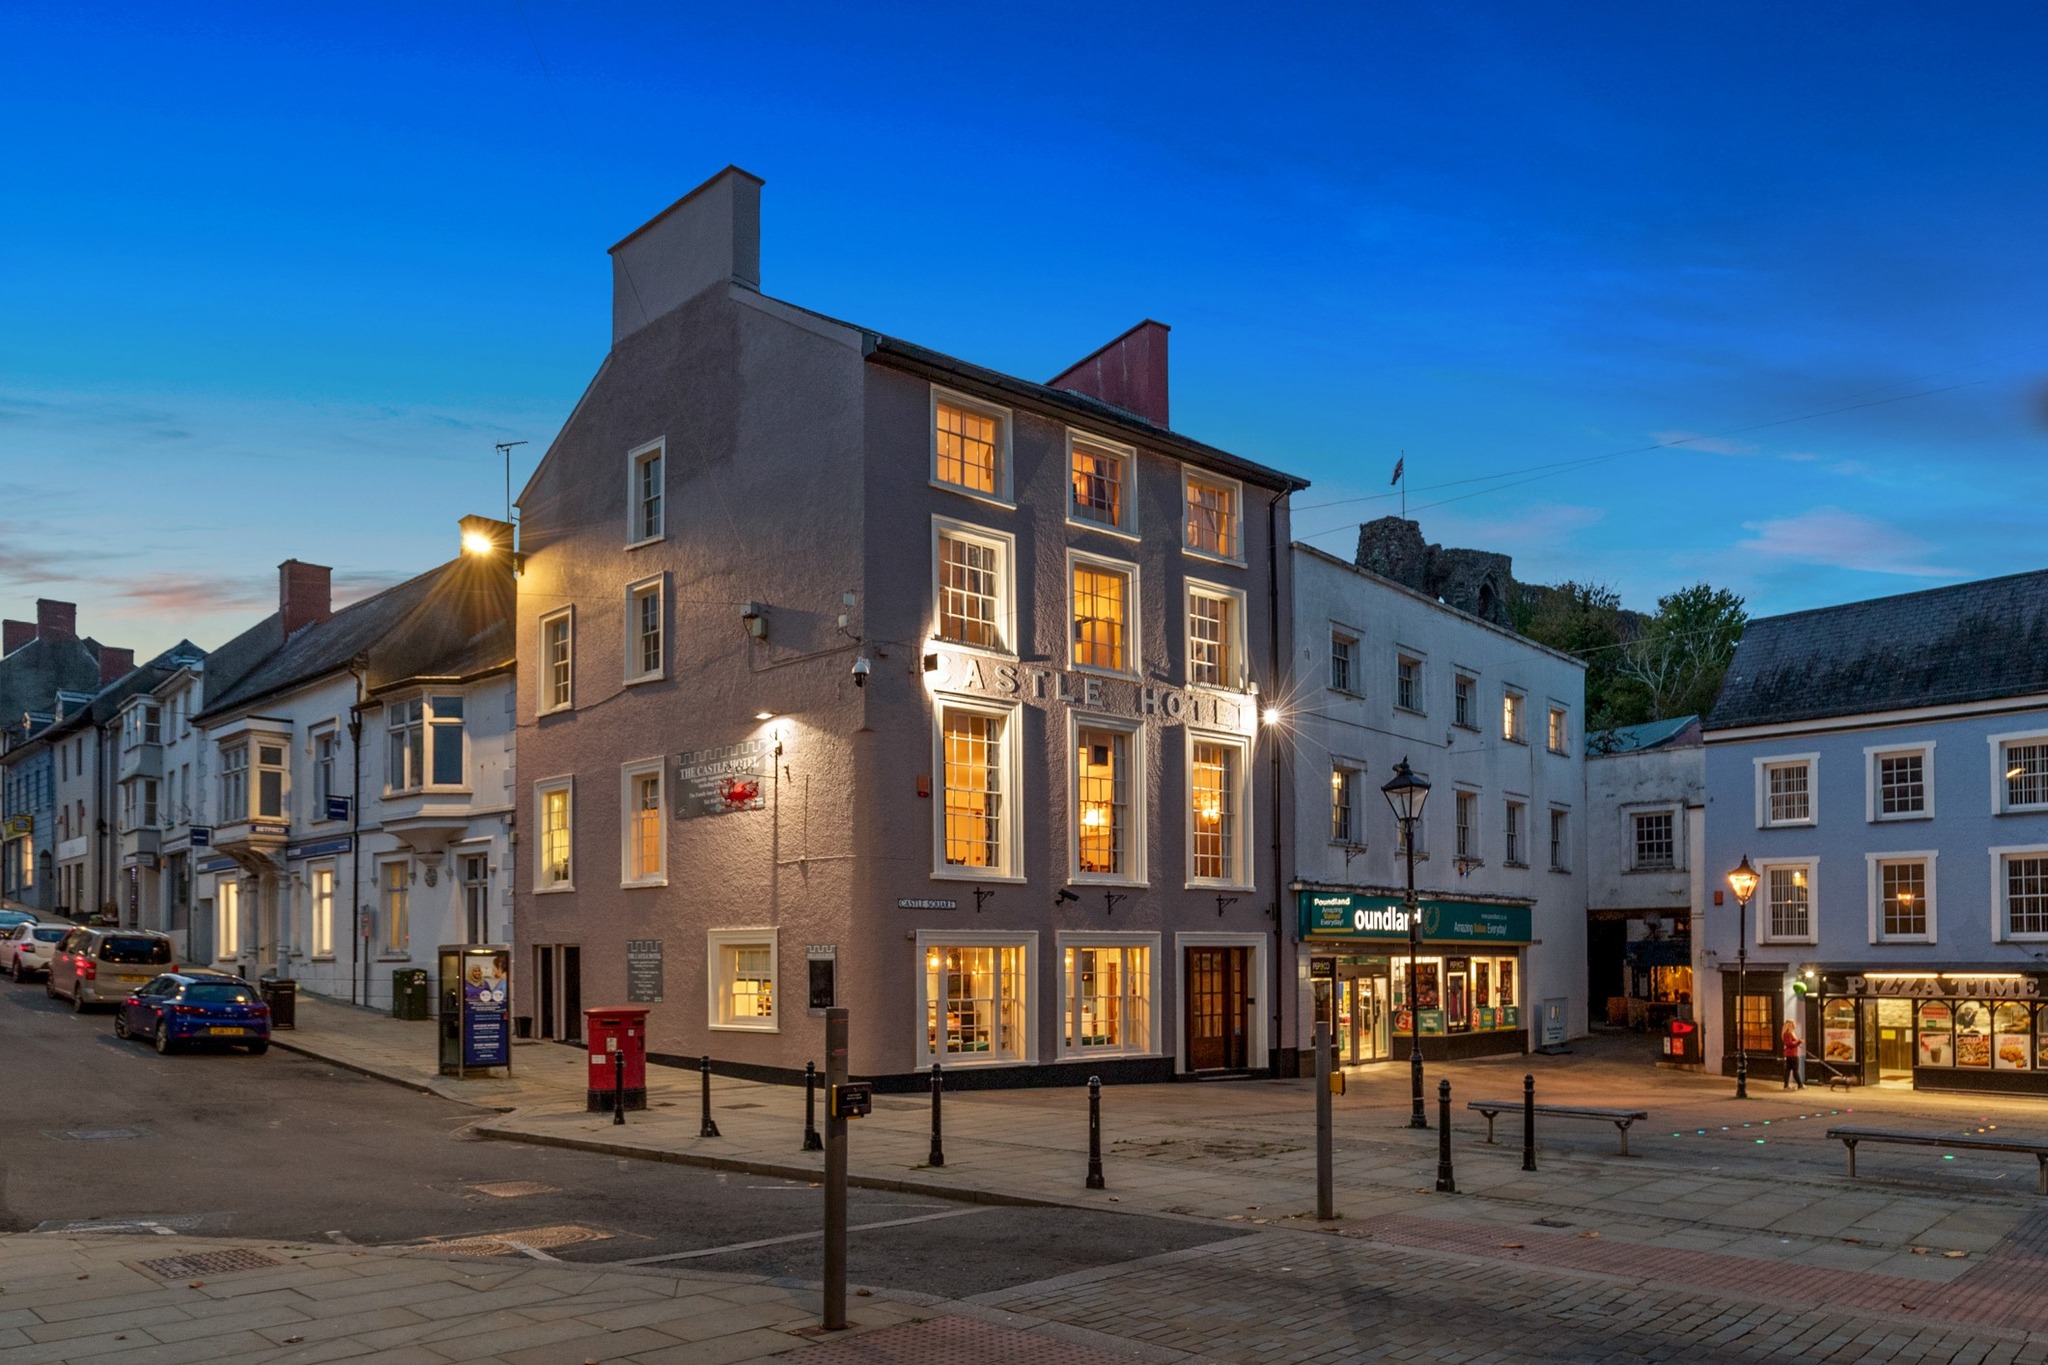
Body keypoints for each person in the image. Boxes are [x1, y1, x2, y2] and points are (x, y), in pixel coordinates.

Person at [1781, 1020, 1804, 1089]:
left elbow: (1791, 1043)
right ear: (1790, 1025)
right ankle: (1800, 1085)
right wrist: (1799, 1041)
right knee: (1795, 1070)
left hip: (1790, 1054)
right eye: (1793, 1024)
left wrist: (1798, 1042)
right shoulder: (1788, 1034)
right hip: (1792, 1054)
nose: (1795, 1026)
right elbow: (1790, 1044)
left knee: (1788, 1070)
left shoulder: (1789, 1033)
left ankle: (1786, 1085)